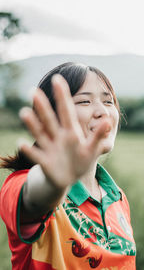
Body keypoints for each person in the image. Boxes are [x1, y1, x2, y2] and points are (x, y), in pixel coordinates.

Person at [0, 62, 136, 270]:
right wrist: (54, 183)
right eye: (84, 101)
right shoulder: (20, 184)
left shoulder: (118, 197)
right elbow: (33, 200)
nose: (103, 112)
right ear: (52, 117)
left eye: (108, 101)